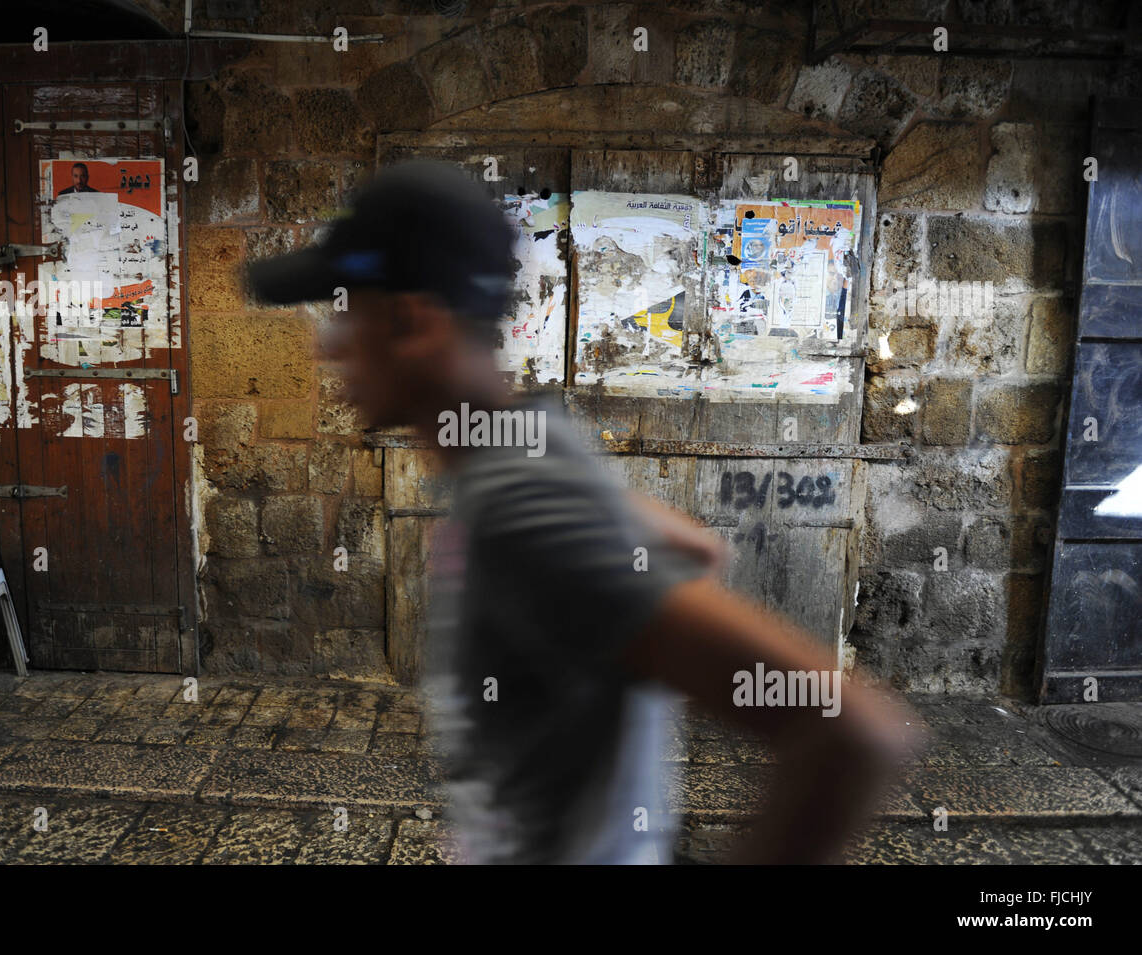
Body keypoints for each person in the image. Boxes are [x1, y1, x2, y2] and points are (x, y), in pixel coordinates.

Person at [247, 160, 916, 865]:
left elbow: (850, 730)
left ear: (410, 320)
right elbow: (695, 547)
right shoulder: (524, 454)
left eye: (346, 308)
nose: (330, 344)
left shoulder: (523, 500)